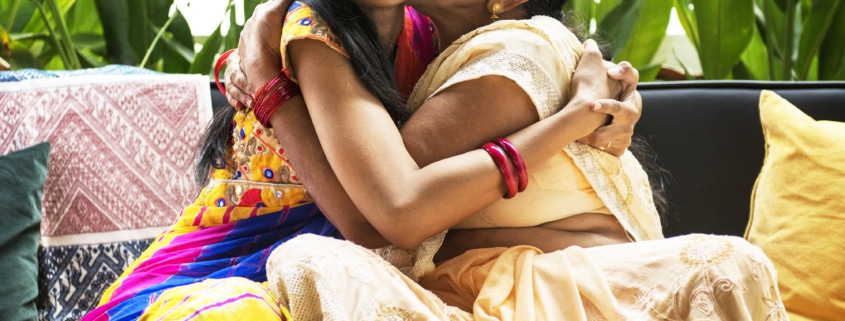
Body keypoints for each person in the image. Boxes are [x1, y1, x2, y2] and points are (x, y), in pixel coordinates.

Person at [81, 0, 640, 320]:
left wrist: (612, 103)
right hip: (239, 254)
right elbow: (372, 222)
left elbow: (535, 60)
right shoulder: (314, 30)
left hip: (344, 245)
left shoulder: (432, 33)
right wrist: (265, 76)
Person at [230, 0, 789, 320]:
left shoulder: (498, 47)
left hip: (468, 264)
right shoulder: (336, 28)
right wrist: (258, 66)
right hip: (270, 233)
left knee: (725, 266)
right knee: (313, 262)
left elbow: (399, 213)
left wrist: (592, 107)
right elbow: (393, 212)